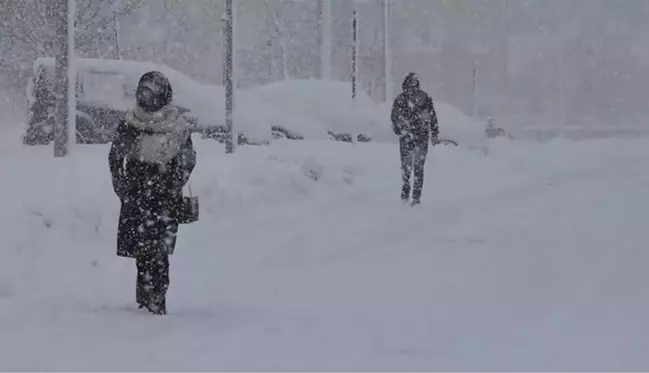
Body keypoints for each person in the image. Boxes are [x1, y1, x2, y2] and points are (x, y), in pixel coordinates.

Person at [108, 71, 196, 315]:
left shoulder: (176, 126)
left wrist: (173, 182)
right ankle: (144, 299)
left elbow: (187, 159)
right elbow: (116, 156)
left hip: (164, 196)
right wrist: (122, 186)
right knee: (141, 249)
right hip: (136, 194)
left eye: (152, 92)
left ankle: (157, 299)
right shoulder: (131, 122)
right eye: (143, 92)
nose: (146, 97)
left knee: (158, 250)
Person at [390, 72, 439, 205]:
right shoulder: (423, 98)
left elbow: (394, 118)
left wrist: (400, 129)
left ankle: (410, 193)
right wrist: (433, 132)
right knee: (415, 166)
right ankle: (413, 194)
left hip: (410, 136)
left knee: (410, 166)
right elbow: (432, 116)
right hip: (417, 136)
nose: (410, 91)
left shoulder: (402, 99)